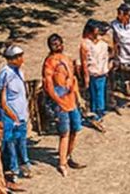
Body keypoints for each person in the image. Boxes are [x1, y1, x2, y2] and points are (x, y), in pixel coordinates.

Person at [42, 34, 85, 175]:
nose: (58, 46)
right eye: (55, 44)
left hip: (71, 98)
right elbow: (48, 86)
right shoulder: (49, 63)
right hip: (60, 99)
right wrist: (58, 101)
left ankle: (68, 155)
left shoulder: (66, 59)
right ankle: (62, 163)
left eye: (59, 43)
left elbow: (73, 79)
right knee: (64, 133)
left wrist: (78, 98)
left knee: (75, 129)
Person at [0, 47, 30, 184]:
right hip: (10, 115)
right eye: (19, 56)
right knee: (10, 143)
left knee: (21, 140)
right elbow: (2, 99)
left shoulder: (19, 72)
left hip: (21, 113)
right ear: (13, 59)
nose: (22, 59)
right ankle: (13, 169)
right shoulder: (5, 73)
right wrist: (11, 115)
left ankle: (25, 164)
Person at [74, 23, 109, 133]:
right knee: (95, 93)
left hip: (101, 71)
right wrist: (86, 76)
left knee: (100, 93)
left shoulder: (102, 41)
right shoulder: (85, 44)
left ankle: (98, 112)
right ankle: (96, 113)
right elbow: (84, 61)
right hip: (93, 72)